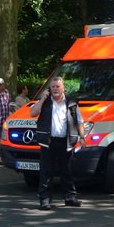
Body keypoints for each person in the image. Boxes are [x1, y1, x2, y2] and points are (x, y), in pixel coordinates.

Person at [29, 76, 84, 210]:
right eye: (52, 87)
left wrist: (82, 137)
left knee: (67, 171)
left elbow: (79, 121)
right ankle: (45, 200)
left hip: (65, 141)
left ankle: (70, 198)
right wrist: (42, 98)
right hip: (48, 142)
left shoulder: (71, 102)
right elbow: (32, 113)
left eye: (57, 86)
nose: (55, 89)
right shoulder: (45, 101)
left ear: (63, 88)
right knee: (46, 172)